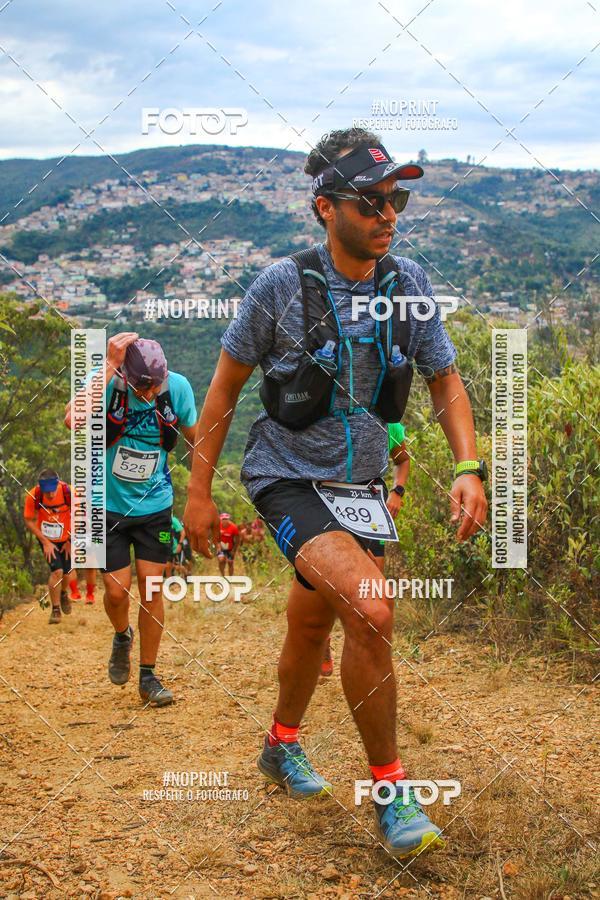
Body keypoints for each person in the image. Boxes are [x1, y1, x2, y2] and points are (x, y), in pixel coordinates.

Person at [184, 127, 487, 859]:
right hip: (286, 476)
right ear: (325, 207)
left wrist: (467, 466)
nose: (389, 214)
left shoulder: (407, 284)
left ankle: (280, 745)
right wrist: (196, 496)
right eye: (372, 201)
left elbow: (445, 378)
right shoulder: (279, 287)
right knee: (372, 606)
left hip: (363, 489)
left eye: (398, 199)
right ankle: (392, 794)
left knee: (315, 625)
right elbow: (223, 391)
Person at [65, 334, 197, 706]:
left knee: (152, 590)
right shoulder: (105, 381)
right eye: (143, 386)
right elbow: (71, 419)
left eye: (156, 385)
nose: (151, 393)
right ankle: (122, 636)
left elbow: (195, 437)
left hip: (155, 504)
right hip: (107, 506)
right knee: (116, 592)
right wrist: (108, 364)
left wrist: (200, 492)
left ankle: (148, 676)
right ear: (125, 373)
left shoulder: (178, 389)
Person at [320, 421, 410, 676]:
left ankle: (366, 657)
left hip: (371, 508)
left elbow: (402, 460)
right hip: (331, 503)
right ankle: (323, 638)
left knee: (373, 589)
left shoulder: (390, 424)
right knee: (328, 581)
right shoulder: (334, 413)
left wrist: (397, 492)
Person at [24, 469, 73, 624]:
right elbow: (29, 520)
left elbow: (82, 516)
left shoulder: (69, 492)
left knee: (67, 573)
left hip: (67, 538)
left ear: (58, 484)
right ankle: (55, 609)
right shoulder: (33, 495)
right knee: (57, 571)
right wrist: (45, 542)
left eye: (52, 491)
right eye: (47, 492)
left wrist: (70, 541)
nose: (50, 495)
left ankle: (63, 593)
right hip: (47, 539)